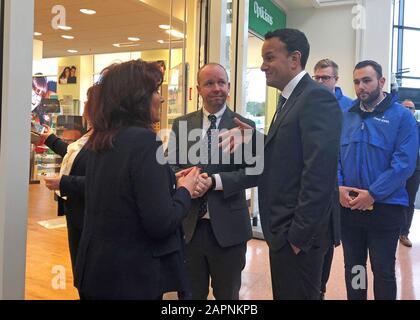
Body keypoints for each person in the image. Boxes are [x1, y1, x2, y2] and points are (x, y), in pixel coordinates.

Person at [220, 28, 342, 300]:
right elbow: (291, 152)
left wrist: (298, 236)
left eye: (269, 57)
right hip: (284, 231)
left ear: (294, 59)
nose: (263, 66)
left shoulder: (316, 98)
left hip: (298, 236)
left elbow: (319, 173)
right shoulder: (290, 99)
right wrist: (256, 139)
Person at [74, 59, 199, 300]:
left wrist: (168, 181)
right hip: (131, 279)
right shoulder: (144, 141)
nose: (160, 99)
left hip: (97, 271)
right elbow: (160, 223)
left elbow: (123, 191)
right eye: (154, 91)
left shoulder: (102, 138)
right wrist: (184, 190)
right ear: (136, 97)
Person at [167, 63, 255, 300]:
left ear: (228, 86)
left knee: (227, 296)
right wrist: (187, 181)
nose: (216, 88)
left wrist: (215, 181)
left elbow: (252, 172)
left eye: (221, 83)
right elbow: (170, 165)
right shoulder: (182, 124)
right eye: (209, 83)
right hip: (189, 228)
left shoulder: (244, 126)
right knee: (190, 295)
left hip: (228, 230)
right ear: (198, 89)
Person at [338, 60, 418, 300]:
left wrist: (372, 193)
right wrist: (339, 186)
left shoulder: (402, 118)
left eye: (367, 80)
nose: (361, 86)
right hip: (350, 209)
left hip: (386, 209)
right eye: (356, 82)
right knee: (355, 268)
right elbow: (336, 157)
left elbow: (403, 165)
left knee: (382, 271)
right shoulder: (347, 116)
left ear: (381, 82)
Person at [40, 85, 99, 281]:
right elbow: (74, 155)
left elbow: (104, 181)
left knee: (88, 275)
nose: (83, 107)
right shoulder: (90, 136)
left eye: (87, 101)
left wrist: (64, 183)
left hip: (89, 218)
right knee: (81, 272)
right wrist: (50, 139)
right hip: (77, 215)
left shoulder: (105, 139)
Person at [313, 58, 353, 299]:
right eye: (316, 77)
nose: (320, 82)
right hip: (312, 183)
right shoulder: (308, 103)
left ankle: (321, 289)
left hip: (337, 185)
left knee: (330, 243)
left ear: (336, 80)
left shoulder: (350, 108)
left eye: (325, 78)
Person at [399, 99, 420, 247]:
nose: (407, 110)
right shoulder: (395, 125)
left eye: (410, 108)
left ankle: (404, 233)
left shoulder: (418, 127)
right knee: (392, 199)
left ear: (414, 111)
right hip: (395, 169)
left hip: (414, 169)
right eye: (404, 107)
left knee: (409, 201)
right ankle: (391, 230)